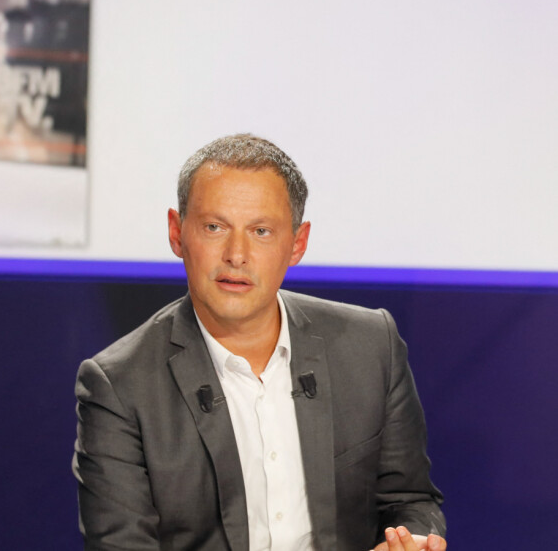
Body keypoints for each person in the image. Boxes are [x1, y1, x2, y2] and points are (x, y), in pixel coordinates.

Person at [73, 133, 447, 551]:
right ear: (177, 234)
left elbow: (409, 501)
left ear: (297, 244)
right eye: (214, 227)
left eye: (262, 231)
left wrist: (409, 541)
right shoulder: (120, 386)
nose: (237, 254)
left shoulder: (371, 346)